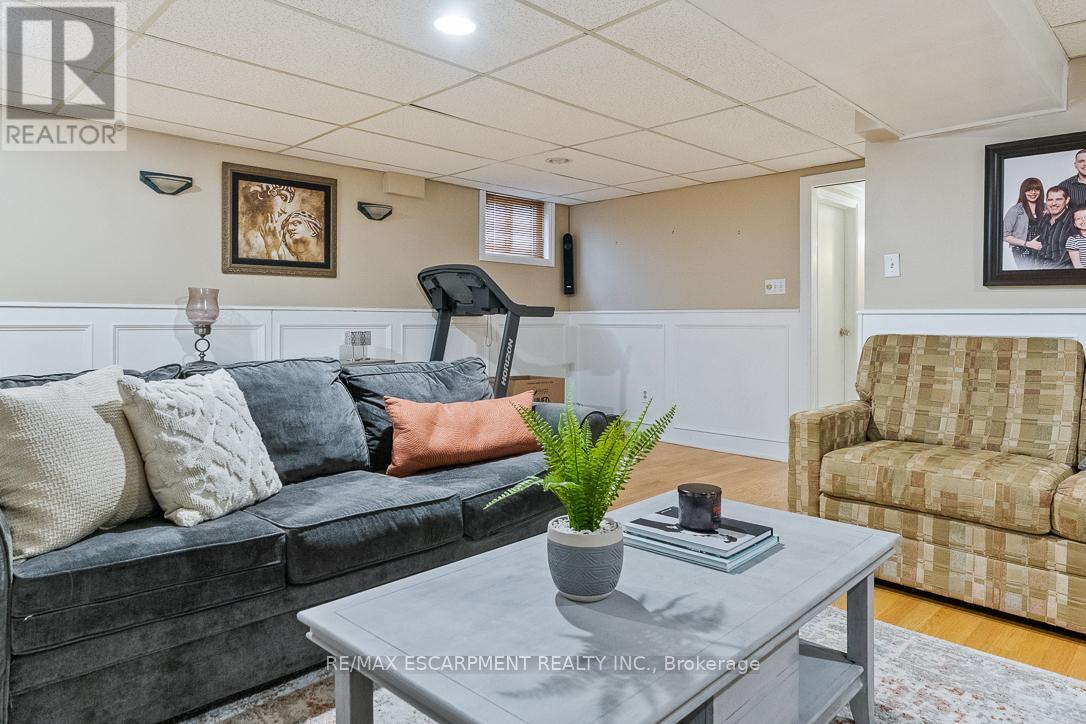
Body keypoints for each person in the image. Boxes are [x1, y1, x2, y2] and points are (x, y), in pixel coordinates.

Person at [1003, 177, 1045, 268]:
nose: (1033, 192)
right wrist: (1028, 244)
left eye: (1036, 189)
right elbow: (1004, 235)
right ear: (1023, 192)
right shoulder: (1015, 210)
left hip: (1043, 250)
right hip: (1022, 251)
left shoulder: (1047, 208)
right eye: (1029, 190)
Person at [1036, 186, 1076, 269]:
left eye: (1058, 199)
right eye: (1050, 200)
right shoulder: (1043, 220)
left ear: (1067, 200)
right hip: (1040, 270)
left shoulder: (1074, 220)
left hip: (1064, 273)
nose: (1054, 203)